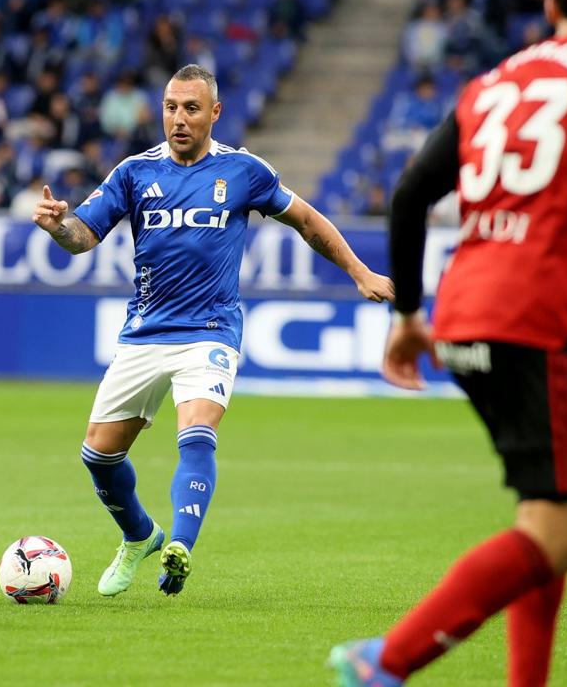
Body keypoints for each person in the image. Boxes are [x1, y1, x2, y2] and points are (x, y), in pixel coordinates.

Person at [330, 0, 567, 687]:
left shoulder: (492, 82)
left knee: (545, 517)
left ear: (550, 4)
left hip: (464, 310)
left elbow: (413, 190)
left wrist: (409, 314)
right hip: (533, 317)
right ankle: (385, 661)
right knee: (562, 531)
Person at [32, 64, 393, 599]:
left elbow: (310, 222)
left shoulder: (243, 171)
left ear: (214, 113)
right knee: (99, 455)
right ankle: (140, 536)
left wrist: (360, 271)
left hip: (211, 330)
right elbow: (84, 237)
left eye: (191, 109)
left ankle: (180, 544)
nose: (179, 119)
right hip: (145, 332)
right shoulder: (134, 172)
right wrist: (59, 224)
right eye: (171, 107)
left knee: (197, 434)